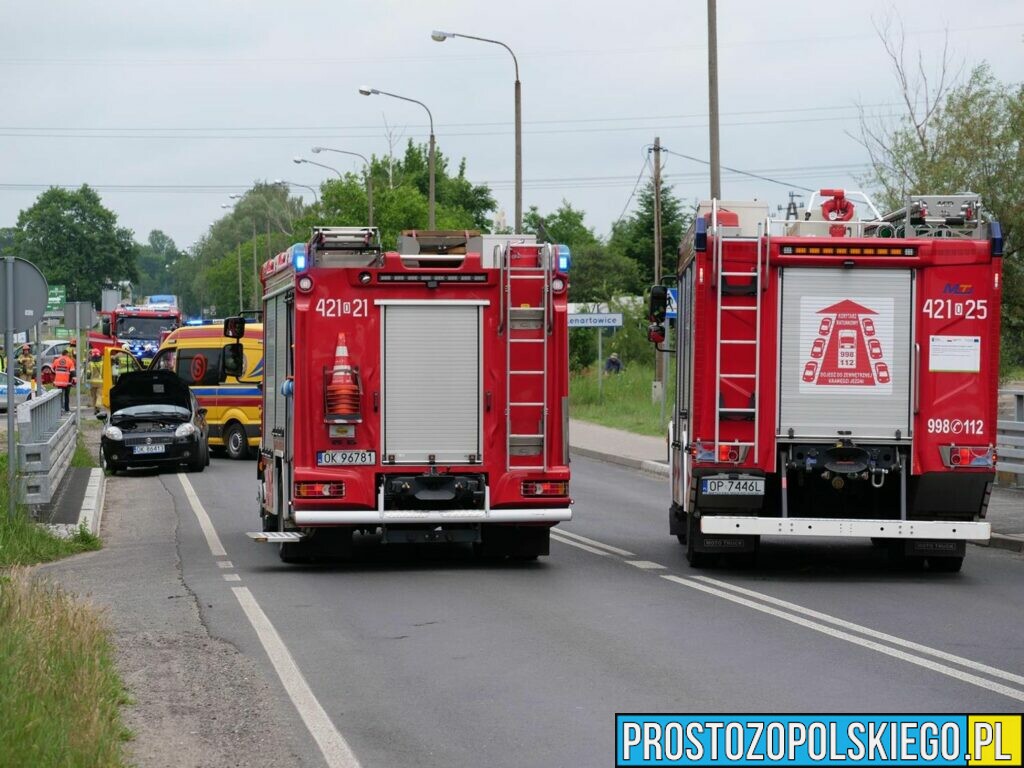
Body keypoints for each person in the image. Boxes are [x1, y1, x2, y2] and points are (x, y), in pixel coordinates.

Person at [53, 340, 77, 412]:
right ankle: (66, 409)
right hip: (66, 381)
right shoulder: (70, 361)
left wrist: (57, 375)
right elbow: (73, 372)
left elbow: (52, 368)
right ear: (66, 354)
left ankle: (59, 409)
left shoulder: (57, 360)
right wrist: (74, 381)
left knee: (59, 395)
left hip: (58, 382)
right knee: (66, 395)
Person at [88, 347, 103, 414]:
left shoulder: (90, 364)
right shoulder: (102, 363)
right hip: (100, 382)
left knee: (93, 396)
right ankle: (98, 406)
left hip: (92, 382)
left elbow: (88, 373)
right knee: (99, 395)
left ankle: (95, 410)